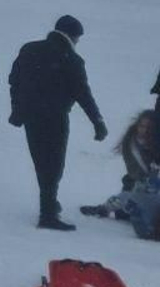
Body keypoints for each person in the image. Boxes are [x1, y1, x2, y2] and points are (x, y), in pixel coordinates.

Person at [8, 15, 107, 231]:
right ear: (73, 36)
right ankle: (47, 215)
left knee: (40, 161)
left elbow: (14, 81)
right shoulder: (72, 59)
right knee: (53, 165)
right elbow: (83, 94)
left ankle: (50, 202)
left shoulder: (29, 49)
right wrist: (97, 121)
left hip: (31, 116)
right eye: (78, 38)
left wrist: (17, 110)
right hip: (55, 118)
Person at [80, 111, 158, 220]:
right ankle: (105, 209)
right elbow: (134, 169)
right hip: (140, 184)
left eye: (148, 128)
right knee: (127, 198)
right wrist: (145, 180)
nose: (144, 130)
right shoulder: (132, 143)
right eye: (142, 126)